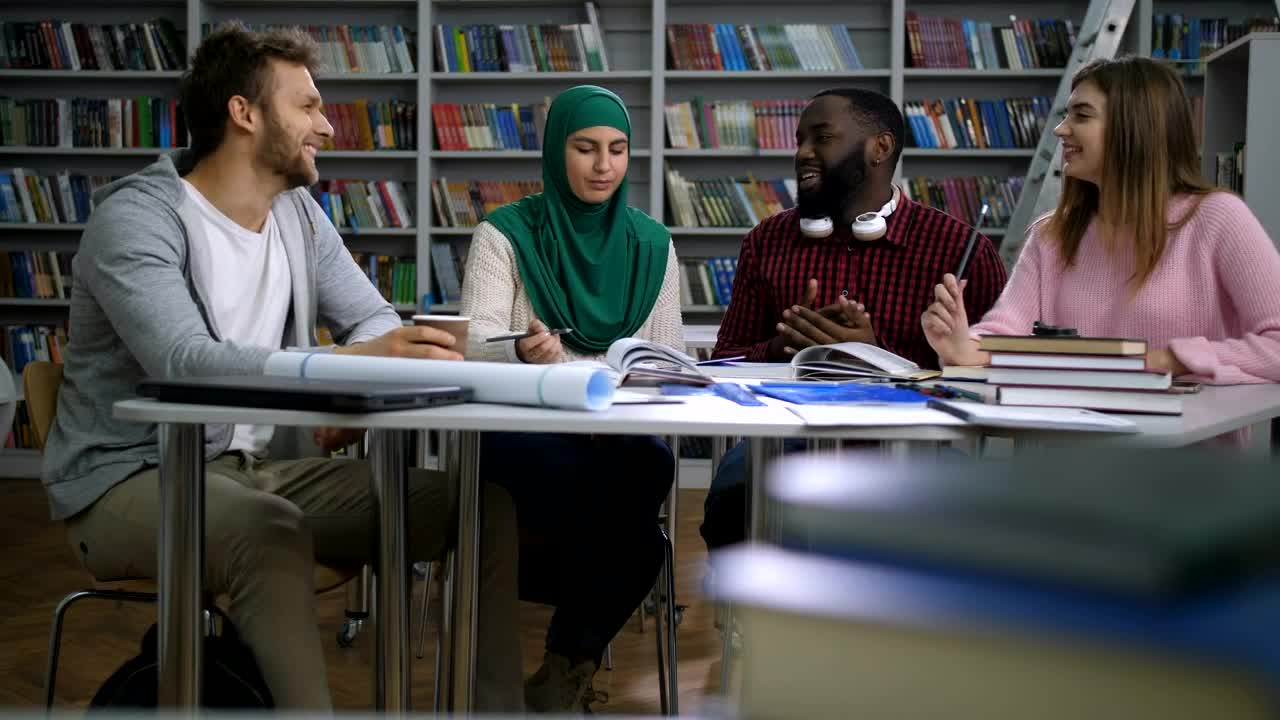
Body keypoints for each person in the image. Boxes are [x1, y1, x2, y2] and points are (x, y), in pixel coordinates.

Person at [41, 23, 523, 711]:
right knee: (269, 533)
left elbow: (375, 320)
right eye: (307, 106)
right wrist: (336, 365)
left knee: (477, 509)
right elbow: (184, 361)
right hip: (128, 480)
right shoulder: (138, 218)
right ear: (244, 113)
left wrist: (365, 372)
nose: (325, 125)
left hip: (263, 472)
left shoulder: (297, 214)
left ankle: (493, 712)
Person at [700, 88, 1008, 552]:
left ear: (880, 148)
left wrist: (876, 358)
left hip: (913, 452)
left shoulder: (959, 252)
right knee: (733, 492)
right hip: (788, 442)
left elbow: (994, 382)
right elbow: (724, 361)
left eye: (821, 137)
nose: (803, 152)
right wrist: (781, 350)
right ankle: (763, 617)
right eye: (800, 139)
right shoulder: (767, 241)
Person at [459, 85, 681, 713]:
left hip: (611, 437)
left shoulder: (652, 244)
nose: (603, 165)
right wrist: (519, 351)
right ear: (558, 152)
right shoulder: (503, 232)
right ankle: (564, 667)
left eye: (616, 150)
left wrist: (588, 370)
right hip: (520, 431)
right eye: (585, 148)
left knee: (649, 472)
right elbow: (474, 338)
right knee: (635, 537)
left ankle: (561, 671)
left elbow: (665, 358)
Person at [923, 56, 1280, 393]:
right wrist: (960, 344)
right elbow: (1005, 334)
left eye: (1081, 115)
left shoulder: (1218, 217)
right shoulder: (1051, 234)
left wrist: (1171, 359)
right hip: (1072, 447)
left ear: (1134, 126)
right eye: (1066, 115)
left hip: (1185, 453)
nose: (1061, 130)